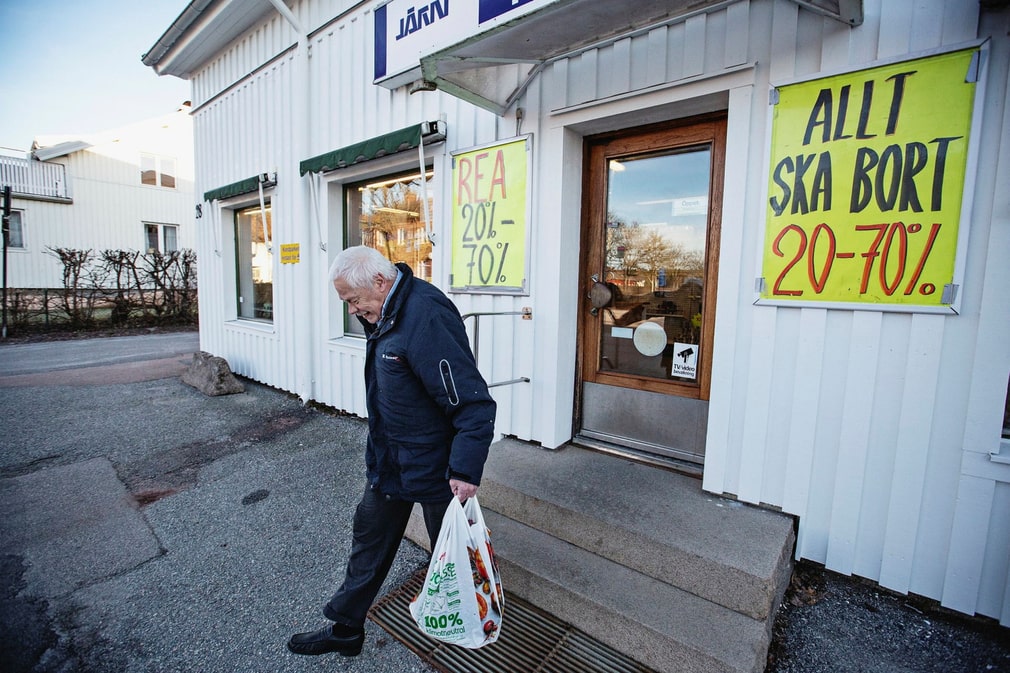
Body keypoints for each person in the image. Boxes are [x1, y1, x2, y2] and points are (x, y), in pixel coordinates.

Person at [287, 245, 497, 657]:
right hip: (390, 462)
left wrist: (466, 469)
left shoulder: (426, 317)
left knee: (452, 560)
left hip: (438, 469)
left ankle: (468, 640)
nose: (351, 309)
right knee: (368, 540)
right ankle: (346, 628)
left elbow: (473, 401)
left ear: (380, 282)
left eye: (353, 300)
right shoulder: (385, 312)